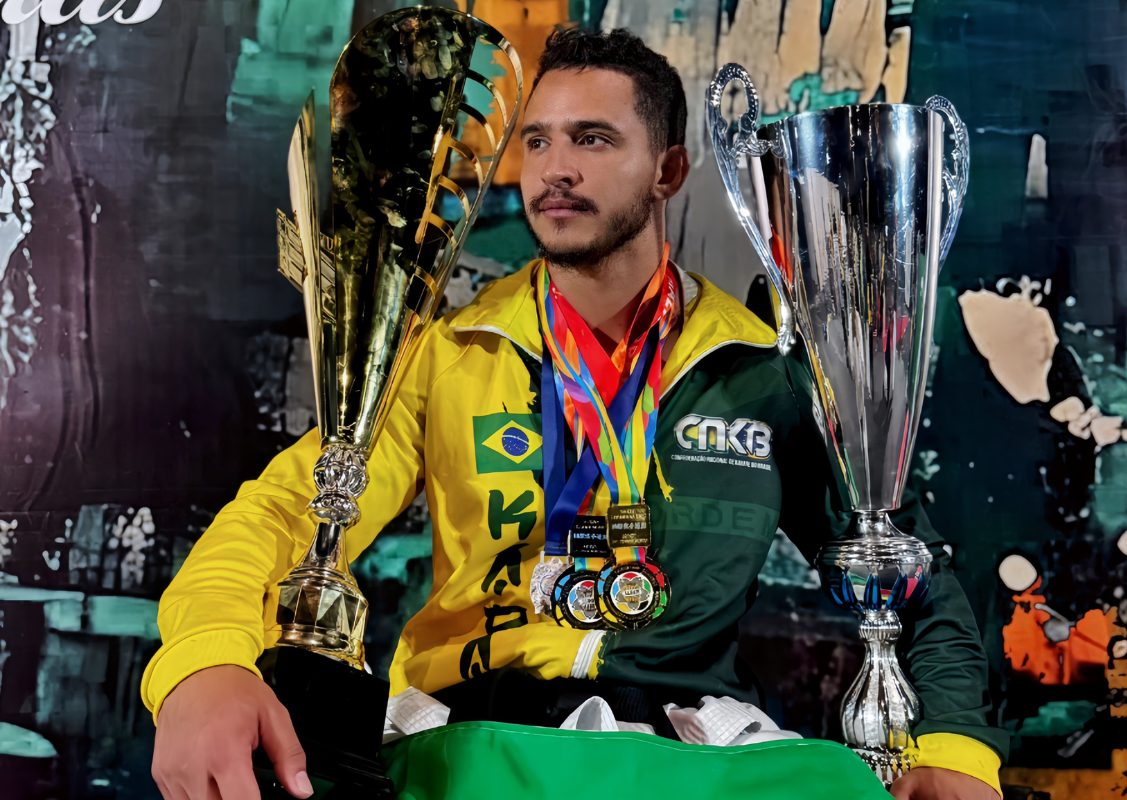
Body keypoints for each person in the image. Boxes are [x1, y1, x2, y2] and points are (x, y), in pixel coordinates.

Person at [143, 28, 1007, 800]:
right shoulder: (449, 352)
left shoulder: (763, 370)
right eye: (537, 140)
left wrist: (955, 746)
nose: (554, 168)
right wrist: (203, 662)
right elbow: (283, 513)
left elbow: (905, 566)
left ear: (668, 171)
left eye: (593, 139)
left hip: (692, 757)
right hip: (470, 741)